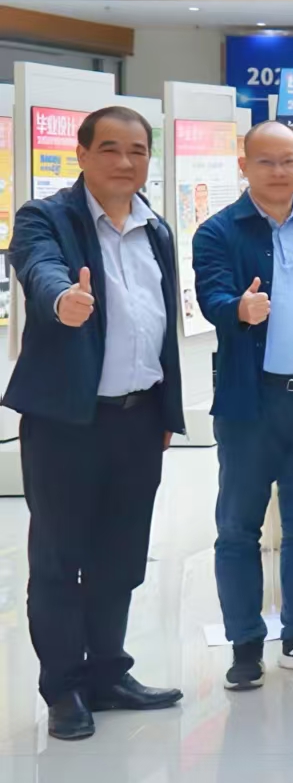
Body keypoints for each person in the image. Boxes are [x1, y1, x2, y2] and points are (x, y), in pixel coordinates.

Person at [6, 106, 186, 741]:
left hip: (138, 419)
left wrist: (166, 410)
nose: (125, 162)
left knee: (121, 556)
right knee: (60, 558)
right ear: (81, 155)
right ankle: (63, 689)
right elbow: (38, 267)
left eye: (137, 150)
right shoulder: (46, 217)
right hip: (67, 422)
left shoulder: (155, 227)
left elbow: (161, 326)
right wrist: (64, 299)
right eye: (110, 148)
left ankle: (108, 673)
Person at [194, 120, 293, 691]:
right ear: (244, 166)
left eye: (289, 161)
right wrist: (238, 309)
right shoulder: (218, 231)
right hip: (250, 404)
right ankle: (244, 644)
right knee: (238, 528)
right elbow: (211, 295)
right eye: (265, 161)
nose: (279, 171)